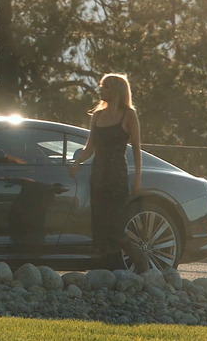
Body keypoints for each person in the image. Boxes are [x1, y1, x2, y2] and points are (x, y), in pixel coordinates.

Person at [68, 73, 147, 272]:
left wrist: (137, 179)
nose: (101, 90)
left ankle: (140, 262)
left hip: (117, 175)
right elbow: (89, 147)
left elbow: (137, 149)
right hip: (98, 175)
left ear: (116, 90)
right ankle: (105, 270)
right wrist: (77, 162)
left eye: (105, 87)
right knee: (99, 225)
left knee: (116, 226)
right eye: (101, 87)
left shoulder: (128, 115)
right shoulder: (97, 115)